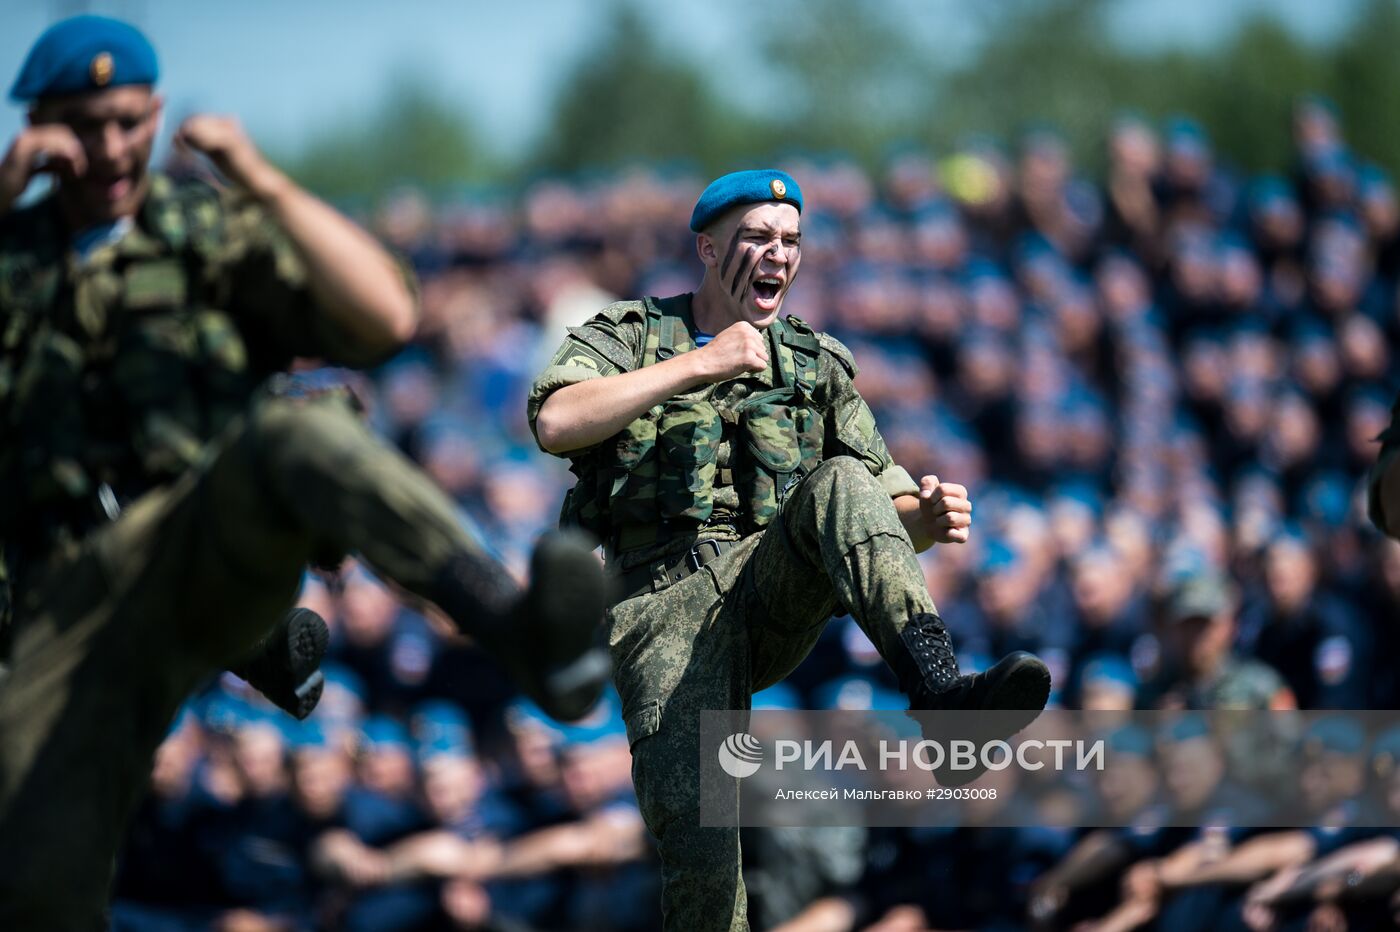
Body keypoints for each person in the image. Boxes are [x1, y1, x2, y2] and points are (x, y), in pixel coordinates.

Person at [0, 16, 610, 928]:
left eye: (130, 121)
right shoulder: (14, 255)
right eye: (84, 125)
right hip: (60, 601)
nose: (112, 148)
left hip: (197, 540)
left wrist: (260, 178)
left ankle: (524, 633)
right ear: (40, 125)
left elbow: (380, 319)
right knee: (34, 884)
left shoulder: (199, 228)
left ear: (157, 114)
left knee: (300, 434)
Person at [527, 168, 1052, 930]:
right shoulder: (632, 333)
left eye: (791, 242)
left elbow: (878, 502)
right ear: (709, 250)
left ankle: (943, 702)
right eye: (757, 239)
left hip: (767, 585)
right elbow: (556, 421)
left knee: (841, 479)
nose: (778, 256)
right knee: (704, 856)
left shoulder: (815, 363)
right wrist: (699, 364)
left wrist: (928, 516)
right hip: (659, 613)